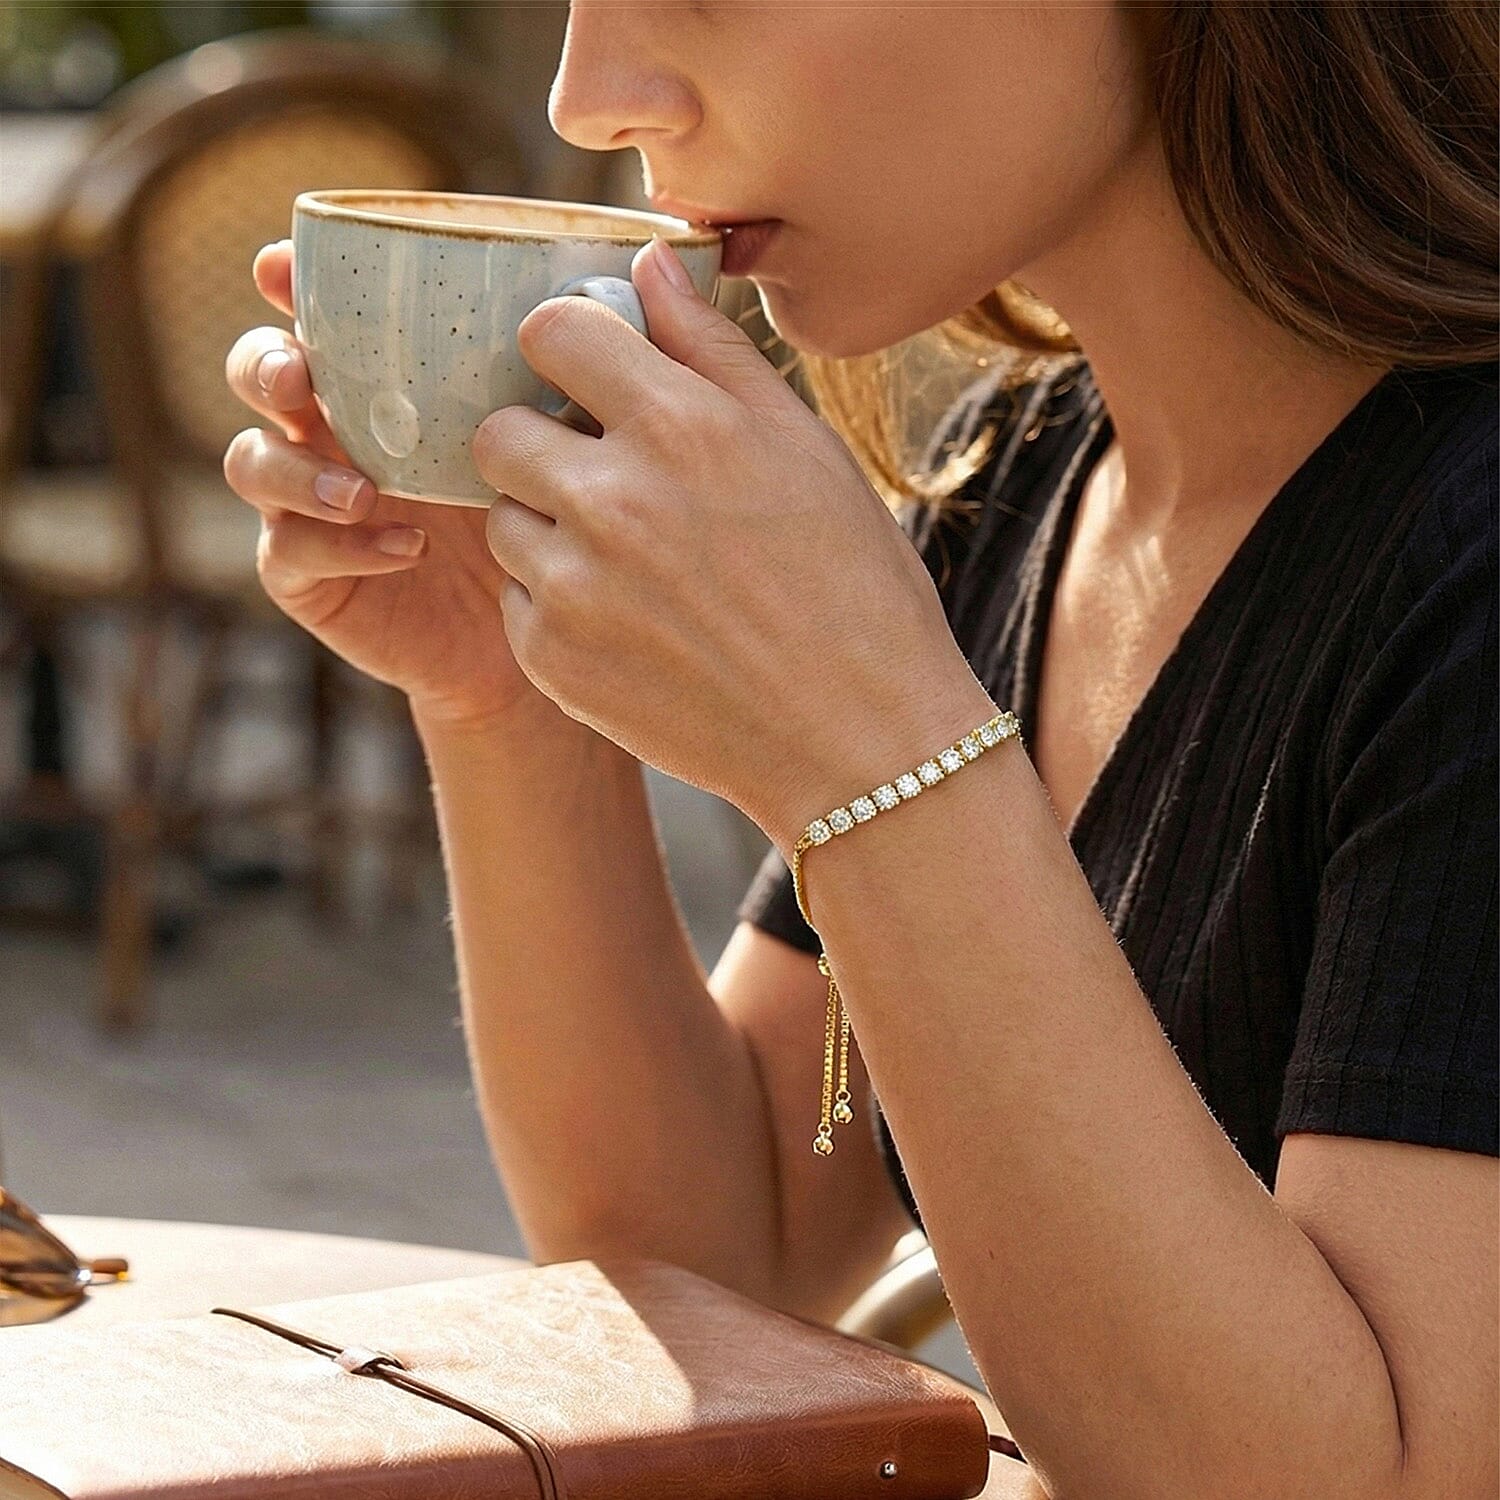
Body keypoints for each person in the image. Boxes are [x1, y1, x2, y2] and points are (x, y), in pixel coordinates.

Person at [221, 6, 1497, 1496]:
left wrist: (877, 750)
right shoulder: (1018, 488)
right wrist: (503, 689)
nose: (589, 98)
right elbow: (718, 1253)